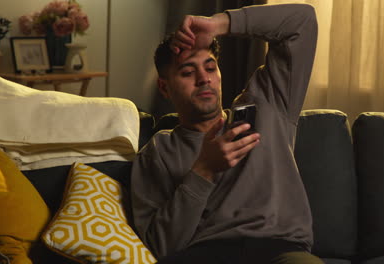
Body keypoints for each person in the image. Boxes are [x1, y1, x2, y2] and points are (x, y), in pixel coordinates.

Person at [131, 3, 320, 264]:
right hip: (205, 255)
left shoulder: (268, 105)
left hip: (279, 250)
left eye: (210, 68)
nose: (203, 78)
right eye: (187, 72)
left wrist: (217, 24)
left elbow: (302, 20)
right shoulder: (158, 152)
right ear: (164, 88)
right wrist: (204, 170)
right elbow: (161, 246)